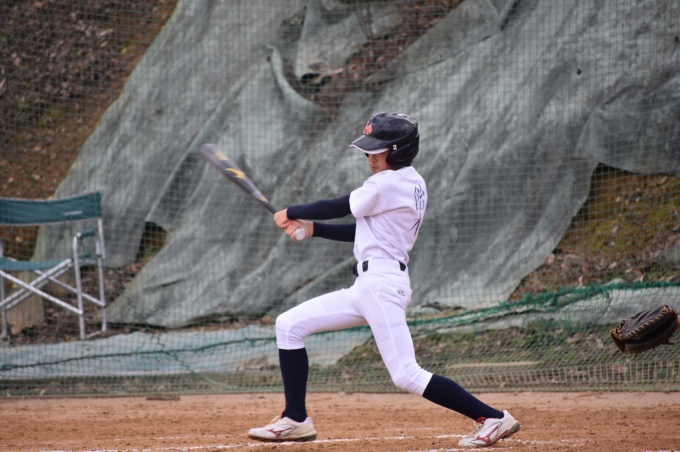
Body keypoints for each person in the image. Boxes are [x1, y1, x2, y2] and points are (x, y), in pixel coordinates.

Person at [247, 112, 521, 448]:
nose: (371, 156)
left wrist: (291, 212)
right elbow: (366, 230)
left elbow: (339, 206)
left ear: (400, 150)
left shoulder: (388, 183)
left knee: (405, 373)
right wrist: (313, 229)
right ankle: (295, 419)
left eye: (378, 150)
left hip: (381, 285)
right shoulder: (411, 182)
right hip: (368, 286)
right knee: (289, 325)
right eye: (369, 149)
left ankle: (491, 417)